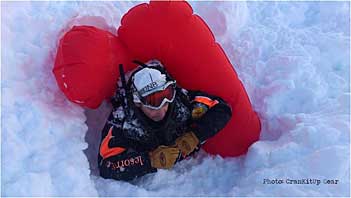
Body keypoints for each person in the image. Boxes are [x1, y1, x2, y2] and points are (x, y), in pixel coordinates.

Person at [98, 59, 232, 181]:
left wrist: (195, 136)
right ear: (137, 102)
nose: (161, 110)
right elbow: (106, 165)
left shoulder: (182, 102)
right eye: (153, 103)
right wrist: (149, 161)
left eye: (166, 99)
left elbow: (222, 108)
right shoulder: (123, 121)